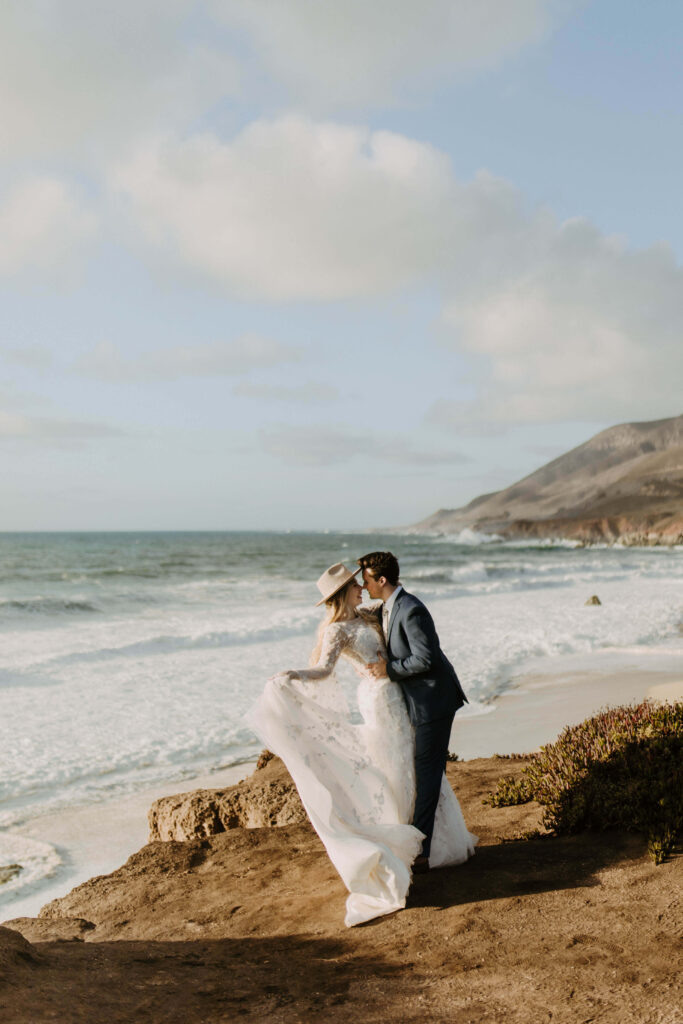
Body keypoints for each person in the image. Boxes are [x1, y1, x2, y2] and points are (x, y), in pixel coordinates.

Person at [248, 562, 476, 927]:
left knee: (412, 762)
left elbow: (392, 606)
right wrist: (293, 675)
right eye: (355, 585)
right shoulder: (337, 630)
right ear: (342, 595)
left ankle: (428, 840)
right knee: (393, 763)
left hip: (397, 694)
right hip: (376, 697)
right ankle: (408, 840)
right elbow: (324, 670)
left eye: (362, 581)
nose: (361, 587)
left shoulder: (371, 613)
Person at [359, 551, 468, 873]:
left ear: (382, 580)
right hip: (419, 701)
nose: (363, 586)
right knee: (425, 770)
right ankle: (434, 839)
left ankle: (421, 850)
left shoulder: (412, 610)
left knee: (427, 774)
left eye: (366, 580)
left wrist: (387, 669)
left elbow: (425, 660)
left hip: (434, 701)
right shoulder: (389, 607)